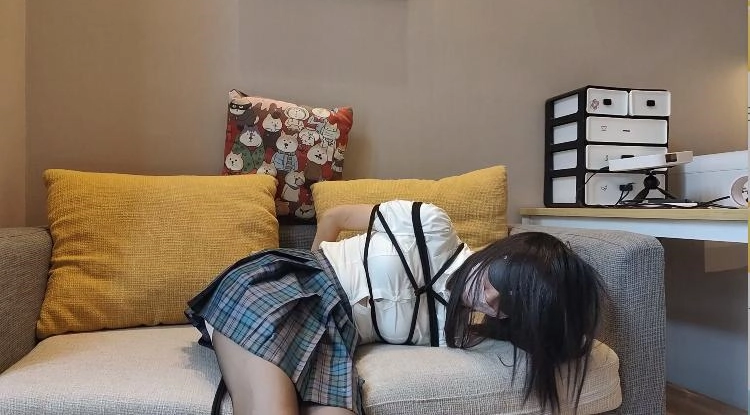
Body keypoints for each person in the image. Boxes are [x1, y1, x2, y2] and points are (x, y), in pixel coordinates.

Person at [186, 200, 604, 415]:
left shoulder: (451, 331)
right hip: (286, 285)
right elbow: (335, 216)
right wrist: (313, 269)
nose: (492, 301)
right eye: (503, 283)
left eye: (511, 306)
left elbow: (562, 341)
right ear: (501, 253)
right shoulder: (431, 225)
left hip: (334, 335)